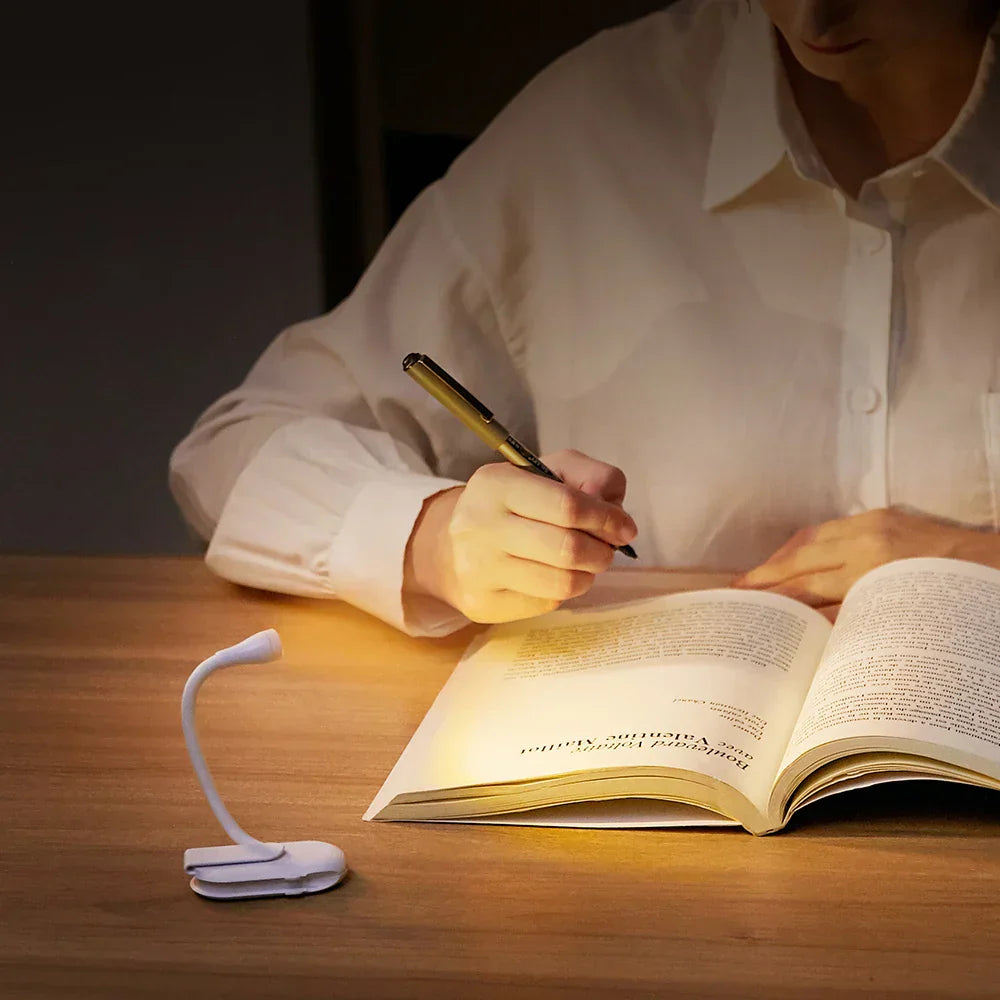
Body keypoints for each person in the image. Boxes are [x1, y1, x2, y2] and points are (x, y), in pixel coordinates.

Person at [170, 0, 1000, 637]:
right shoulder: (595, 127)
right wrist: (433, 537)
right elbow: (235, 449)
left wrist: (979, 564)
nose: (814, 17)